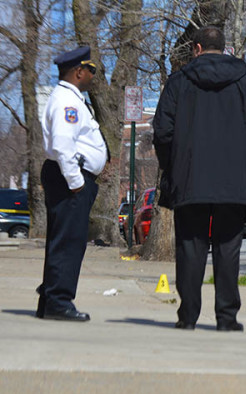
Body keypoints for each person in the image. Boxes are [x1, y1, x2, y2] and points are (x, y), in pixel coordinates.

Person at [153, 26, 246, 332]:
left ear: (196, 48)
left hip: (191, 177)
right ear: (224, 49)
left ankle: (188, 316)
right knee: (227, 248)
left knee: (190, 248)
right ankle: (226, 317)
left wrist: (173, 167)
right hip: (236, 180)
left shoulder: (179, 82)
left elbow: (163, 132)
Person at [36, 46, 109, 322]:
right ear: (78, 72)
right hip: (70, 179)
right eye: (90, 70)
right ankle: (59, 301)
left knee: (63, 240)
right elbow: (63, 144)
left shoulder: (70, 98)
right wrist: (76, 181)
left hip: (68, 177)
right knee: (69, 241)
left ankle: (51, 299)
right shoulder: (68, 102)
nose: (92, 75)